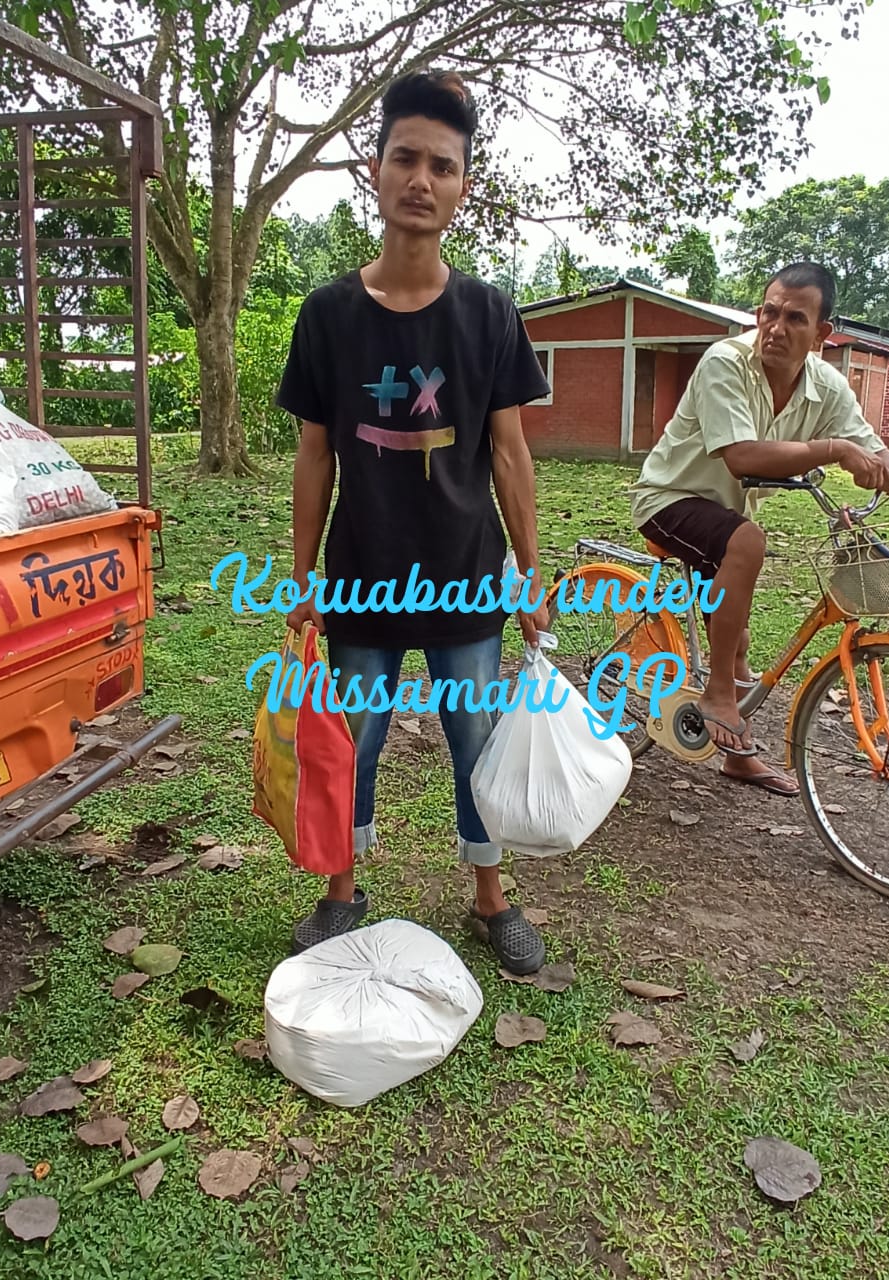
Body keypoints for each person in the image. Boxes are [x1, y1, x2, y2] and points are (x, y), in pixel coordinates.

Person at [275, 70, 551, 973]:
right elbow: (315, 455)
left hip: (466, 574)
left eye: (442, 165)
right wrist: (303, 574)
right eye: (405, 158)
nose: (421, 180)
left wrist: (529, 570)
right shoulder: (328, 315)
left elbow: (510, 454)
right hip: (363, 575)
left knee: (476, 738)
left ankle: (490, 896)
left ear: (463, 186)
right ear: (376, 169)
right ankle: (341, 890)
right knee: (356, 737)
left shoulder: (490, 314)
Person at [629, 261, 889, 796]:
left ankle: (737, 754)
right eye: (770, 312)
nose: (776, 327)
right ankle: (719, 695)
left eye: (795, 318)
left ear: (821, 333)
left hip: (726, 513)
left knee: (737, 632)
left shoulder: (827, 386)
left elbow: (872, 445)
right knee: (747, 543)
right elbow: (741, 456)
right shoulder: (725, 363)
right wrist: (832, 449)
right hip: (668, 497)